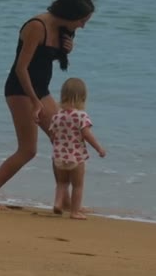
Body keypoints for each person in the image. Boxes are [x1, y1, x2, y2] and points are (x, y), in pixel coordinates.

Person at [0, 0, 96, 209]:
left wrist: (66, 50)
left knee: (62, 140)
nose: (82, 26)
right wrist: (34, 101)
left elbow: (47, 60)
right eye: (81, 21)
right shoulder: (36, 26)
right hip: (21, 90)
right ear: (70, 14)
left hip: (41, 90)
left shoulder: (63, 29)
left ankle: (64, 201)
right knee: (27, 150)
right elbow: (21, 69)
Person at [49, 77, 105, 219]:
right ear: (82, 97)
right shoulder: (81, 116)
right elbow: (86, 134)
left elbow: (53, 135)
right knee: (77, 185)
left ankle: (58, 203)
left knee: (62, 183)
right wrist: (99, 148)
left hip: (58, 156)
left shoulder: (57, 116)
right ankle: (75, 212)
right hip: (76, 157)